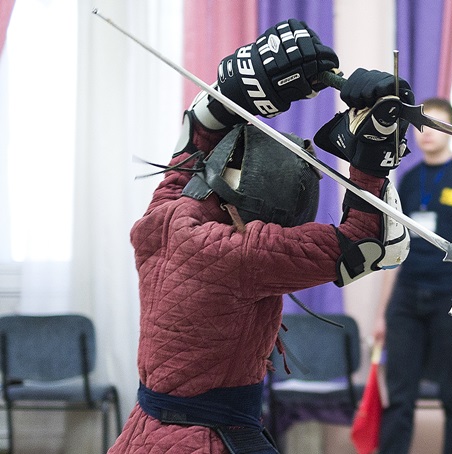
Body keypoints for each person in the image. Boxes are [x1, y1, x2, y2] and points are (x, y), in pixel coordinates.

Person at [109, 19, 415, 453]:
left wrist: (244, 82)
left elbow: (195, 132)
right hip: (205, 442)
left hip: (144, 434)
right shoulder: (243, 255)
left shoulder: (164, 214)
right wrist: (373, 150)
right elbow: (375, 243)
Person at [373, 98, 452, 454]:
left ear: (451, 130)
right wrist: (383, 314)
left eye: (437, 125)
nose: (428, 133)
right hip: (407, 299)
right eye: (422, 125)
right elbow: (393, 253)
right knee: (399, 397)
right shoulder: (409, 180)